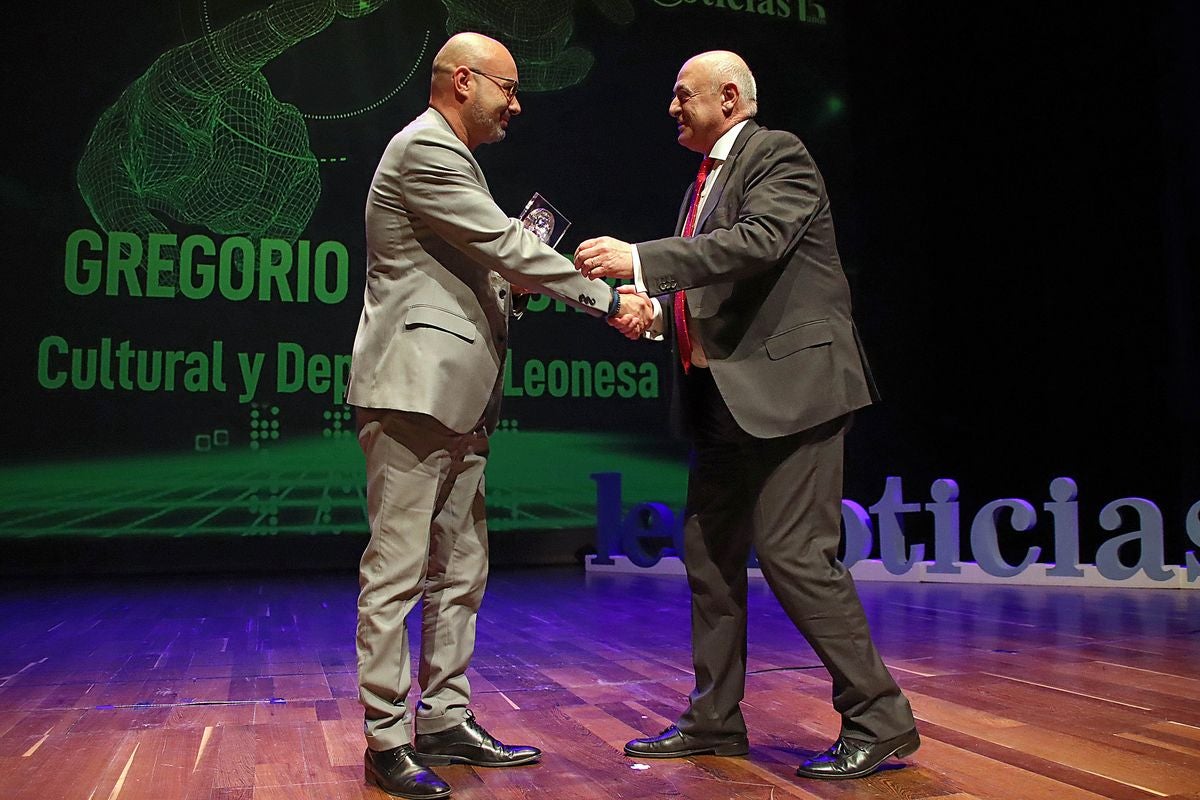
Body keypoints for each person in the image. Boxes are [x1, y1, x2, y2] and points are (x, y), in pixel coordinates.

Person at [573, 50, 919, 781]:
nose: (671, 107)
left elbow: (755, 245)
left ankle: (879, 717)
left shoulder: (778, 156)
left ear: (729, 98)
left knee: (795, 555)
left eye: (682, 95)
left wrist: (638, 260)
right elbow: (716, 288)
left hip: (795, 393)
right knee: (708, 557)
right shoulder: (705, 179)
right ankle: (714, 721)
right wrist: (656, 317)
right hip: (723, 401)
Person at [346, 32, 652, 800]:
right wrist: (609, 300)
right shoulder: (426, 150)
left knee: (460, 567)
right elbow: (507, 247)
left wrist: (511, 286)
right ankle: (386, 738)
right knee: (398, 570)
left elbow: (488, 264)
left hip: (460, 397)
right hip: (415, 391)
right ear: (460, 81)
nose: (516, 105)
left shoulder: (457, 159)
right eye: (506, 89)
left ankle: (444, 718)